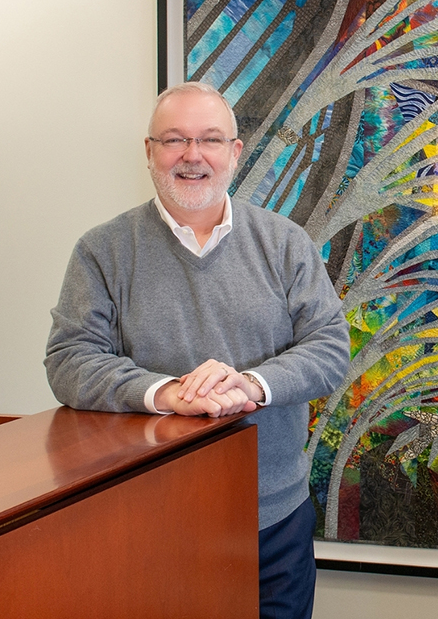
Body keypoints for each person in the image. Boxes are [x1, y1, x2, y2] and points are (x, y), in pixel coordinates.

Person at [45, 82, 351, 619]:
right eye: (174, 140)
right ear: (149, 152)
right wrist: (168, 393)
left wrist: (250, 384)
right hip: (149, 518)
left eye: (210, 139)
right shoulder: (102, 251)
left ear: (234, 152)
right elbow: (69, 358)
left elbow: (329, 349)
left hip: (273, 518)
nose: (192, 155)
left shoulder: (285, 243)